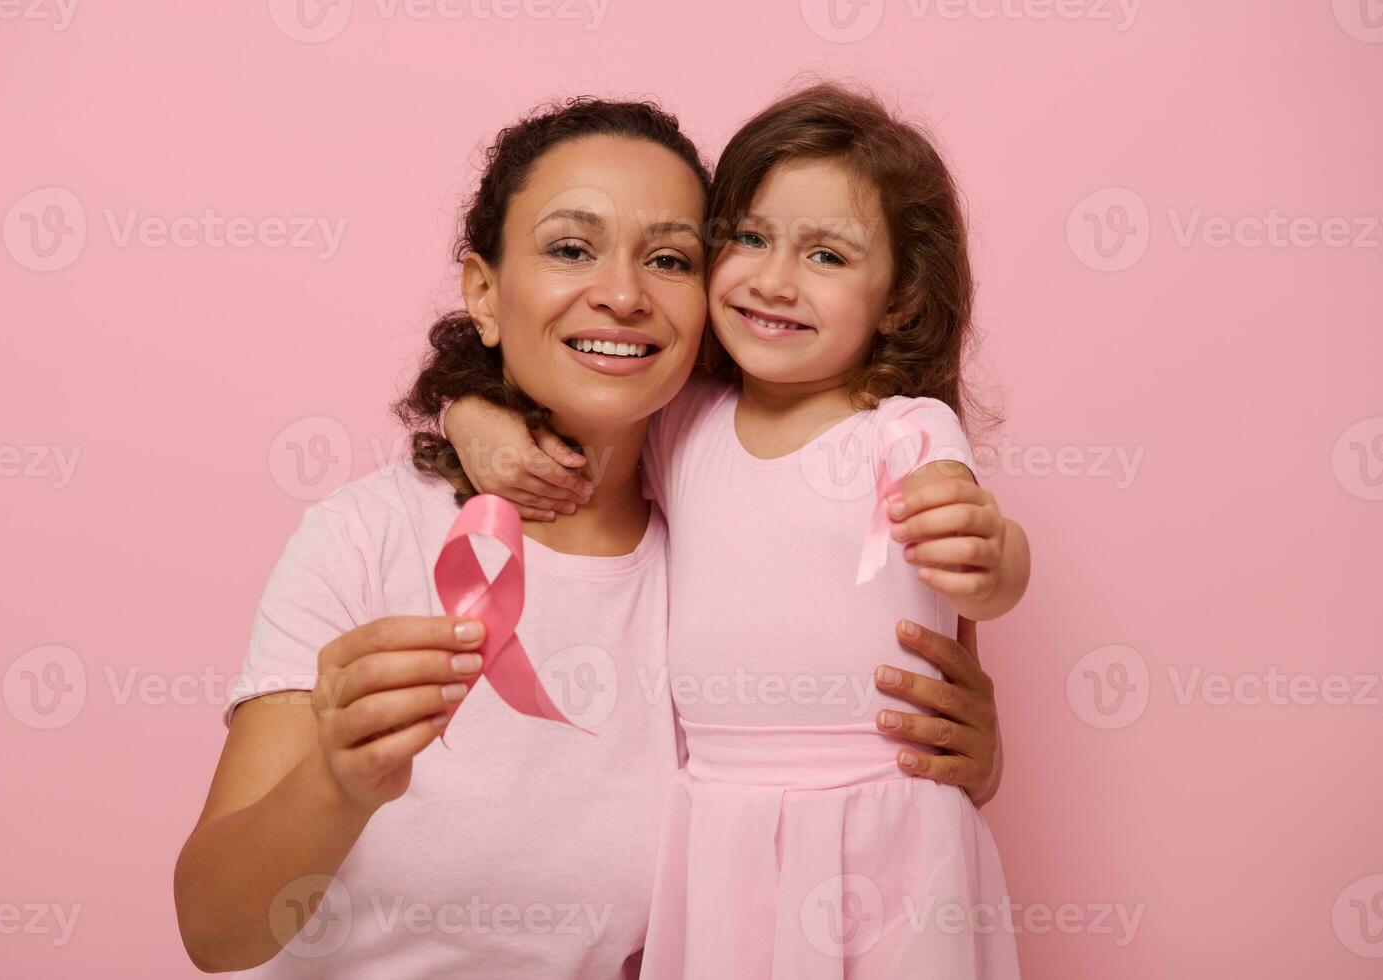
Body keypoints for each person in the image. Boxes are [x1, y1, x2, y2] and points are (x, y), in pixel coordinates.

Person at [176, 94, 1010, 980]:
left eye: (668, 258)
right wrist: (333, 789)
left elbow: (890, 731)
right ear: (483, 293)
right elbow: (214, 934)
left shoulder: (731, 547)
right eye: (570, 248)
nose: (621, 295)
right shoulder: (366, 537)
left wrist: (971, 763)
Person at [441, 82, 1029, 978]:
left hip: (885, 816)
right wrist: (467, 419)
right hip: (718, 824)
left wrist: (989, 560)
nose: (773, 280)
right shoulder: (681, 422)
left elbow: (983, 551)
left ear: (902, 297)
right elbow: (562, 418)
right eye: (747, 238)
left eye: (826, 255)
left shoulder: (904, 429)